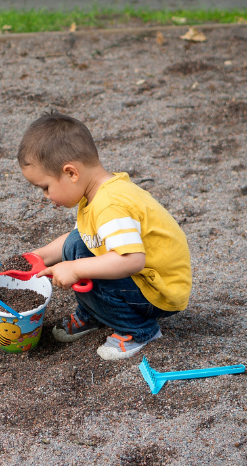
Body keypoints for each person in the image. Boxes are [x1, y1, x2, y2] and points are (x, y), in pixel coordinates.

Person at [18, 112, 191, 360]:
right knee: (77, 246)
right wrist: (39, 256)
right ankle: (96, 313)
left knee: (83, 264)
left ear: (71, 173)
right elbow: (81, 237)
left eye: (45, 187)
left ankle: (139, 330)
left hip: (159, 291)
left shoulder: (110, 205)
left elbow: (131, 260)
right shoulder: (98, 192)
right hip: (145, 279)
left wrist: (76, 269)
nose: (45, 196)